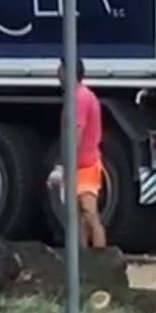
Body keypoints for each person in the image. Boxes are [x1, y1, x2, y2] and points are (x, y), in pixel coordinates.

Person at [57, 57, 109, 250]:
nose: (57, 73)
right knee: (79, 215)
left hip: (85, 165)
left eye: (61, 68)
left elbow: (76, 132)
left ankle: (101, 257)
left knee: (89, 212)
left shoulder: (79, 98)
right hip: (82, 163)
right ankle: (83, 258)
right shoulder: (78, 96)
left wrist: (67, 164)